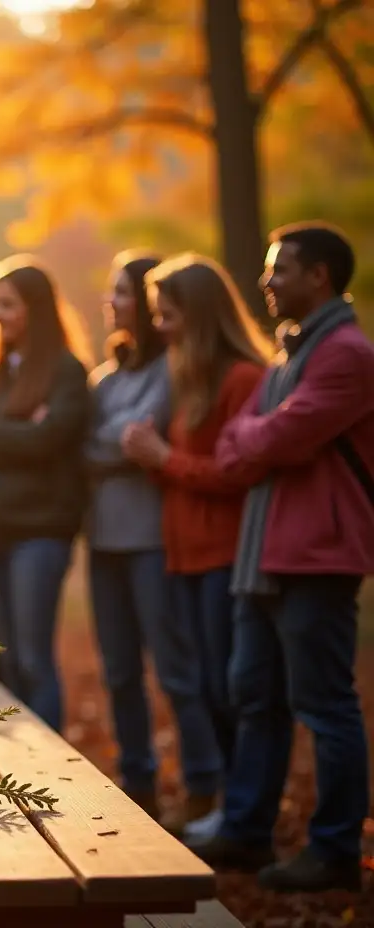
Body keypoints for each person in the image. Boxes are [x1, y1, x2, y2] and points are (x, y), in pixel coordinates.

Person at [195, 223, 373, 893]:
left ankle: (332, 849)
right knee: (256, 696)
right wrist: (253, 436)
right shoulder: (289, 355)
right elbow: (241, 439)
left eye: (280, 270)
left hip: (315, 558)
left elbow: (284, 437)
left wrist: (252, 437)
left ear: (319, 276)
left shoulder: (347, 353)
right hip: (264, 554)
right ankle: (245, 829)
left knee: (324, 704)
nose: (267, 282)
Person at [122, 253, 272, 838]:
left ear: (200, 314)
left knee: (229, 688)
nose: (158, 326)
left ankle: (242, 813)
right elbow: (186, 470)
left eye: (167, 314)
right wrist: (156, 460)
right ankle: (234, 811)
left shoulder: (242, 379)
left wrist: (163, 459)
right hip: (183, 554)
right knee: (207, 686)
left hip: (224, 556)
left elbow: (236, 475)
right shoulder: (191, 375)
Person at [86, 252, 221, 826]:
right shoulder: (105, 377)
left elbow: (142, 436)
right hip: (102, 542)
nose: (110, 301)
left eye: (120, 291)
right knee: (118, 671)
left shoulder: (172, 367)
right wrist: (119, 444)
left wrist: (114, 443)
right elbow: (91, 446)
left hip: (152, 539)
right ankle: (137, 781)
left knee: (173, 668)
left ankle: (204, 783)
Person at [0, 256, 91, 732]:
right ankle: (18, 760)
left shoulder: (66, 371)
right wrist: (15, 430)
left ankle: (58, 767)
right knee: (2, 655)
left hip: (37, 534)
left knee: (31, 657)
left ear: (35, 309)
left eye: (6, 305)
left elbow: (49, 441)